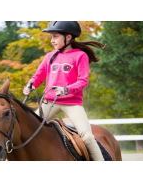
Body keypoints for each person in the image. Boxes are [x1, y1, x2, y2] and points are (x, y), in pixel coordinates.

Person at [23, 21, 106, 161]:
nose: (52, 40)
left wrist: (66, 89)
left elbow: (83, 81)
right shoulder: (50, 56)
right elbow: (38, 76)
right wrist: (30, 85)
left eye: (55, 36)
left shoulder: (81, 56)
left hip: (72, 104)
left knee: (87, 137)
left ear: (68, 37)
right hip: (49, 102)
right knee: (28, 131)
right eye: (51, 37)